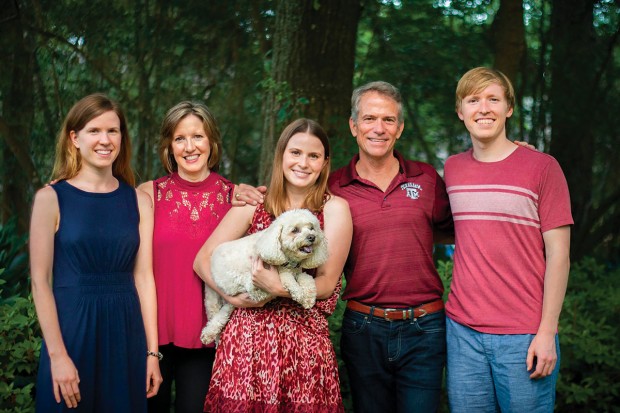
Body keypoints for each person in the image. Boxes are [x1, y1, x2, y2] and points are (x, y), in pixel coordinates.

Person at [194, 118, 353, 412]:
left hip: (304, 345)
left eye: (313, 155)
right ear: (281, 155)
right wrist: (230, 296)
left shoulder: (334, 209)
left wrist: (277, 288)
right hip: (245, 344)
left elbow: (327, 283)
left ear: (325, 162)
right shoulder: (255, 204)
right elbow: (203, 259)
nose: (303, 163)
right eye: (295, 153)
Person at [444, 67, 572, 412]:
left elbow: (559, 256)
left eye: (493, 99)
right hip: (462, 332)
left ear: (509, 108)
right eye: (473, 100)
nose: (483, 108)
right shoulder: (452, 170)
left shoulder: (542, 168)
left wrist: (547, 333)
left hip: (525, 335)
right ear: (460, 111)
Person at [30, 94, 162, 412]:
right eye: (94, 131)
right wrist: (58, 356)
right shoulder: (50, 198)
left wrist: (152, 354)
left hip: (125, 337)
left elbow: (143, 278)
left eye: (113, 131)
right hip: (71, 334)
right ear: (74, 138)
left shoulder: (139, 201)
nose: (105, 140)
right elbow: (39, 282)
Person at [326, 81, 453, 413]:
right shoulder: (334, 187)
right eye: (369, 119)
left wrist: (511, 158)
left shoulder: (426, 178)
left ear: (400, 128)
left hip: (425, 327)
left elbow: (461, 228)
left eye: (388, 120)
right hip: (363, 327)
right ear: (354, 126)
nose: (378, 128)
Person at [138, 101, 264, 413]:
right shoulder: (147, 195)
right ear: (169, 146)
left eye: (198, 136)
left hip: (208, 336)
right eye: (180, 138)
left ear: (212, 142)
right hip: (153, 337)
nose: (190, 147)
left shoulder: (236, 198)